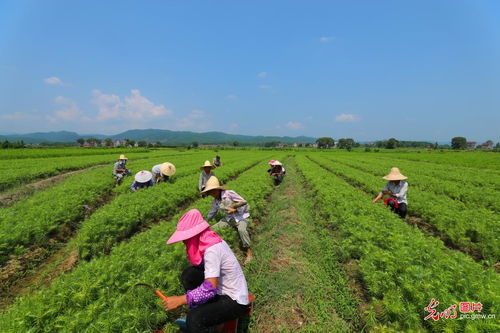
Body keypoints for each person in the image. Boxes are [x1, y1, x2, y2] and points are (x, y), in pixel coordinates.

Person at [163, 209, 250, 333]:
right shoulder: (208, 240)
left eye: (186, 238)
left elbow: (209, 288)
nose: (184, 242)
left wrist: (180, 300)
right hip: (221, 290)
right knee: (189, 275)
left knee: (194, 319)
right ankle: (204, 313)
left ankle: (203, 320)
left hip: (234, 300)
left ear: (194, 235)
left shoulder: (212, 249)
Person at [201, 176, 253, 264]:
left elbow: (244, 203)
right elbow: (212, 213)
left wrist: (235, 209)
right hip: (229, 219)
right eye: (210, 191)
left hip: (240, 217)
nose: (212, 193)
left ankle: (249, 253)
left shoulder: (229, 193)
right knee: (212, 229)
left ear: (218, 189)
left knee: (241, 229)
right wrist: (204, 222)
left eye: (214, 190)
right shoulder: (215, 202)